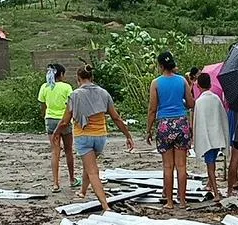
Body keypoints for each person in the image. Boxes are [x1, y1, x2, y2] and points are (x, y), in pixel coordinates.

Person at [54, 65, 135, 211]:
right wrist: (127, 135)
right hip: (100, 137)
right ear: (92, 78)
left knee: (93, 171)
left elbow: (65, 121)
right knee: (89, 165)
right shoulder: (104, 93)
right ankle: (83, 191)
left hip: (83, 136)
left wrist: (56, 132)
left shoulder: (75, 95)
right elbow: (116, 117)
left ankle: (105, 205)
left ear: (78, 79)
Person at [147, 51, 195, 209]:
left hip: (164, 125)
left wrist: (149, 129)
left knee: (167, 167)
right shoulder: (182, 81)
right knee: (181, 166)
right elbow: (190, 103)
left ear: (160, 65)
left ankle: (169, 202)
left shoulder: (156, 83)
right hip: (181, 123)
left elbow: (152, 109)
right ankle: (182, 201)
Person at [38, 64, 78, 194]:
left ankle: (55, 183)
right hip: (64, 120)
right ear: (61, 74)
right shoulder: (66, 87)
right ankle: (72, 179)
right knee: (68, 150)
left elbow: (42, 105)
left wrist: (45, 116)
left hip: (50, 120)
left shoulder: (45, 87)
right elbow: (70, 106)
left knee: (55, 151)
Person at [193, 72, 229, 202]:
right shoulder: (216, 99)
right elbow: (223, 117)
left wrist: (196, 138)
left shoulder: (200, 102)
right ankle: (210, 185)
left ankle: (216, 192)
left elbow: (198, 122)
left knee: (210, 167)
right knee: (212, 164)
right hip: (217, 137)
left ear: (198, 85)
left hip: (207, 137)